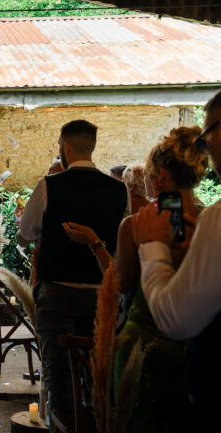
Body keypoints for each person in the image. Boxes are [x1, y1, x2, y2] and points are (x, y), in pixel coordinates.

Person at [64, 126, 207, 432]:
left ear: (158, 178)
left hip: (142, 352)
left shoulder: (135, 226)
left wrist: (94, 243)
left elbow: (119, 284)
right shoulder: (209, 222)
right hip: (198, 351)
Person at [17, 120, 128, 423]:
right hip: (101, 296)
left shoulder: (48, 186)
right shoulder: (120, 191)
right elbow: (123, 245)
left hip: (57, 295)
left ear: (65, 146)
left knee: (59, 379)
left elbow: (24, 235)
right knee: (97, 376)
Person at [131, 90, 221, 427]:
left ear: (159, 178)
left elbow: (172, 316)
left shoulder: (142, 225)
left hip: (155, 348)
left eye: (208, 136)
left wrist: (151, 246)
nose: (206, 147)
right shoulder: (203, 217)